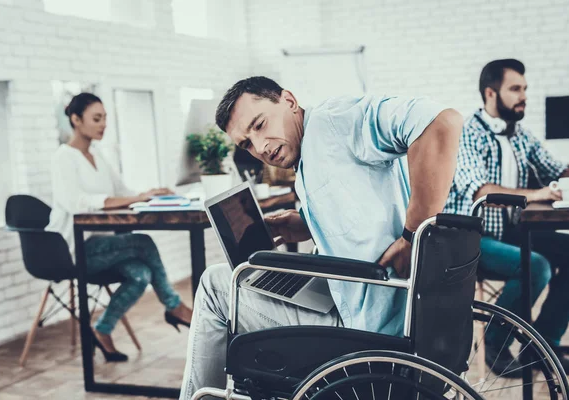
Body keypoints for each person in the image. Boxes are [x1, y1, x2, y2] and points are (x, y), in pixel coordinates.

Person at [179, 76, 463, 398]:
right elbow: (359, 212)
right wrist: (303, 225)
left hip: (367, 328)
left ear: (288, 101)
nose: (260, 148)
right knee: (251, 279)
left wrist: (412, 237)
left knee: (216, 285)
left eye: (259, 125)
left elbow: (441, 121)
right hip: (359, 301)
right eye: (246, 144)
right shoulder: (310, 150)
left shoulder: (334, 121)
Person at [445, 59, 569, 376]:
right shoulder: (468, 134)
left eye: (525, 88)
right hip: (470, 239)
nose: (523, 95)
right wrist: (535, 194)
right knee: (534, 264)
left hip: (511, 232)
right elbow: (479, 192)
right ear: (490, 93)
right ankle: (497, 343)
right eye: (515, 89)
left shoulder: (520, 135)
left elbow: (558, 170)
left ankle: (544, 347)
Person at [46, 93, 193, 362]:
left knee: (141, 274)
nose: (103, 125)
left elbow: (123, 192)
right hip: (74, 249)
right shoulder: (63, 158)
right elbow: (75, 202)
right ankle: (175, 307)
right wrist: (134, 199)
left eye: (105, 118)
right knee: (142, 242)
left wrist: (151, 194)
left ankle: (102, 330)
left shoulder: (97, 156)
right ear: (76, 120)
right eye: (97, 118)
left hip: (103, 248)